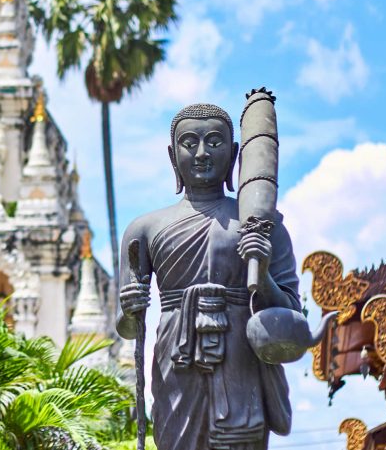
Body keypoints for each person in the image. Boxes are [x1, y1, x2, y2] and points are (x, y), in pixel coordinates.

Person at [117, 104, 299, 450]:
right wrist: (131, 309)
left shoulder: (262, 225)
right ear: (173, 156)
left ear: (233, 154)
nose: (201, 153)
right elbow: (126, 328)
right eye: (190, 143)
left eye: (214, 143)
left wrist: (261, 277)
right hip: (177, 361)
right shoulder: (144, 229)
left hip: (241, 362)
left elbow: (291, 314)